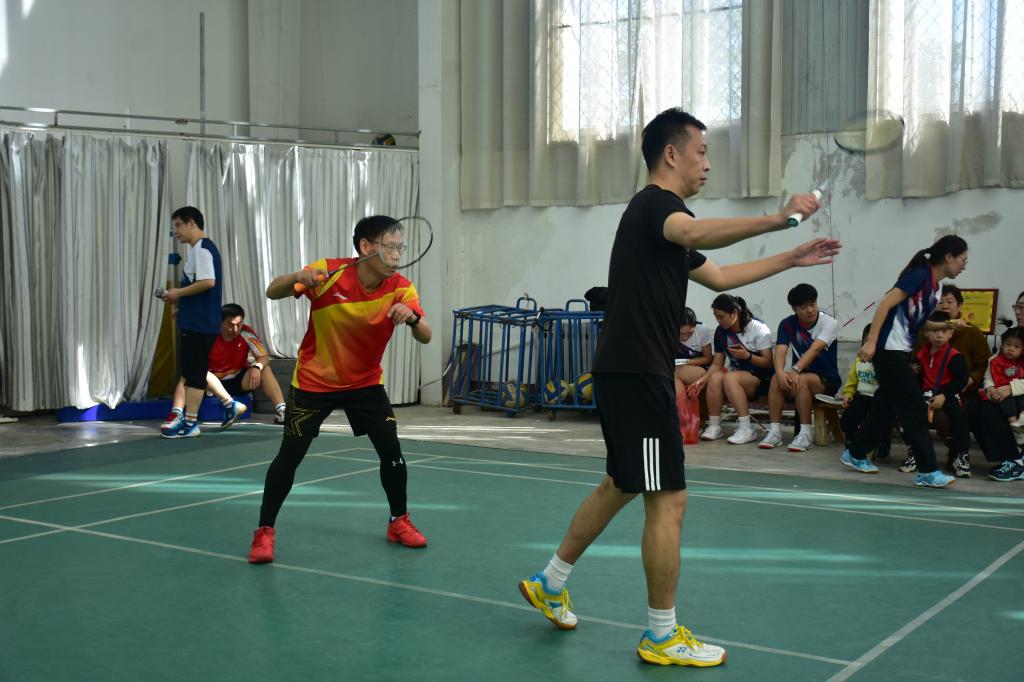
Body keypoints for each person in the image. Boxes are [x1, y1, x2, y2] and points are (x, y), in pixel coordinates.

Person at [517, 108, 834, 667]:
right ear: (671, 154)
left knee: (621, 484)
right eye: (701, 152)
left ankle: (550, 580)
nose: (707, 164)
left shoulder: (664, 226)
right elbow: (691, 229)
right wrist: (779, 219)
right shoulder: (657, 207)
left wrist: (792, 257)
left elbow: (722, 277)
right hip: (638, 372)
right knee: (669, 498)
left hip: (630, 370)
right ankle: (661, 635)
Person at [248, 215, 433, 564]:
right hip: (314, 383)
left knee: (391, 451)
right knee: (290, 455)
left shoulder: (401, 288)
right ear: (365, 246)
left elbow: (426, 334)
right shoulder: (328, 273)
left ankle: (399, 520)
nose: (397, 255)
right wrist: (298, 277)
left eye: (400, 248)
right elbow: (273, 291)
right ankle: (264, 531)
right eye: (390, 247)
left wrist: (411, 318)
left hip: (365, 384)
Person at [839, 235, 969, 488]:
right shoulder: (919, 276)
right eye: (962, 259)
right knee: (914, 408)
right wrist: (871, 341)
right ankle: (927, 470)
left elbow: (921, 323)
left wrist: (949, 325)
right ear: (948, 257)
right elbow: (884, 305)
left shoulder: (936, 288)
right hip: (888, 349)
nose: (964, 265)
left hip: (901, 351)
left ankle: (855, 453)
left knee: (886, 406)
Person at [161, 303, 287, 436]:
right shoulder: (209, 334)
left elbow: (263, 357)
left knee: (264, 369)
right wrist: (184, 315)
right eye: (230, 324)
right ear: (220, 322)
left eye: (239, 325)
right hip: (210, 383)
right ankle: (176, 415)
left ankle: (282, 411)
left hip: (237, 381)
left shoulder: (246, 333)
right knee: (189, 374)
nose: (235, 329)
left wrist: (257, 366)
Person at [159, 206, 222, 439]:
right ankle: (190, 420)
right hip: (196, 321)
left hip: (199, 325)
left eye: (178, 225)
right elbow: (201, 287)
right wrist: (183, 307)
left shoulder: (202, 249)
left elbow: (208, 282)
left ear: (192, 223)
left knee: (194, 375)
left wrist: (178, 293)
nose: (176, 231)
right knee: (193, 372)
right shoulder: (200, 249)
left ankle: (191, 423)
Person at [759, 283, 840, 452]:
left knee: (801, 380)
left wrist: (795, 370)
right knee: (775, 379)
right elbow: (781, 351)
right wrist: (780, 372)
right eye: (803, 307)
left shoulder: (829, 323)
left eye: (813, 304)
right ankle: (774, 432)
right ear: (794, 308)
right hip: (799, 375)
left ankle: (805, 434)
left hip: (826, 380)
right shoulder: (787, 324)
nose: (810, 310)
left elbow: (815, 349)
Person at [698, 294, 773, 445]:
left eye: (721, 316)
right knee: (715, 377)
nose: (718, 320)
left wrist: (747, 356)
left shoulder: (757, 328)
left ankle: (746, 428)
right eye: (716, 317)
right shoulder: (721, 331)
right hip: (736, 378)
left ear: (734, 313)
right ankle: (714, 426)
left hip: (761, 379)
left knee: (730, 377)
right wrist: (702, 379)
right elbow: (717, 363)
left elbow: (768, 362)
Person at [915, 311, 972, 477]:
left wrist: (944, 395)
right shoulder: (921, 354)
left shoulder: (955, 356)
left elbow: (961, 380)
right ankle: (914, 453)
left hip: (947, 394)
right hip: (925, 394)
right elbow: (918, 379)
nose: (939, 335)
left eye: (944, 331)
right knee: (908, 413)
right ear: (926, 332)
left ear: (951, 333)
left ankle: (961, 455)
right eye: (934, 331)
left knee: (960, 417)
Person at [840, 324, 892, 460]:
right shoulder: (859, 359)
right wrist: (848, 394)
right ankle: (851, 441)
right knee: (848, 418)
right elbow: (852, 380)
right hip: (861, 396)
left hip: (878, 398)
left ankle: (883, 443)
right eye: (866, 341)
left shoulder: (884, 360)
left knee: (878, 420)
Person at [981, 326, 1024, 439]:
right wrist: (990, 388)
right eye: (1008, 344)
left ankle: (1022, 420)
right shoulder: (995, 360)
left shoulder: (1021, 362)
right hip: (1002, 391)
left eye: (1016, 347)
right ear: (1002, 344)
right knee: (1003, 400)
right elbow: (989, 377)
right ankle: (1014, 424)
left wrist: (1012, 387)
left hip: (1020, 391)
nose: (1011, 349)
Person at [673, 306, 713, 398]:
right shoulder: (667, 330)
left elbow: (708, 358)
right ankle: (682, 406)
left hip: (697, 369)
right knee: (673, 378)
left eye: (690, 333)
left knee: (671, 373)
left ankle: (682, 406)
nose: (685, 338)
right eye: (681, 334)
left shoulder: (702, 329)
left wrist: (686, 362)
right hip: (673, 369)